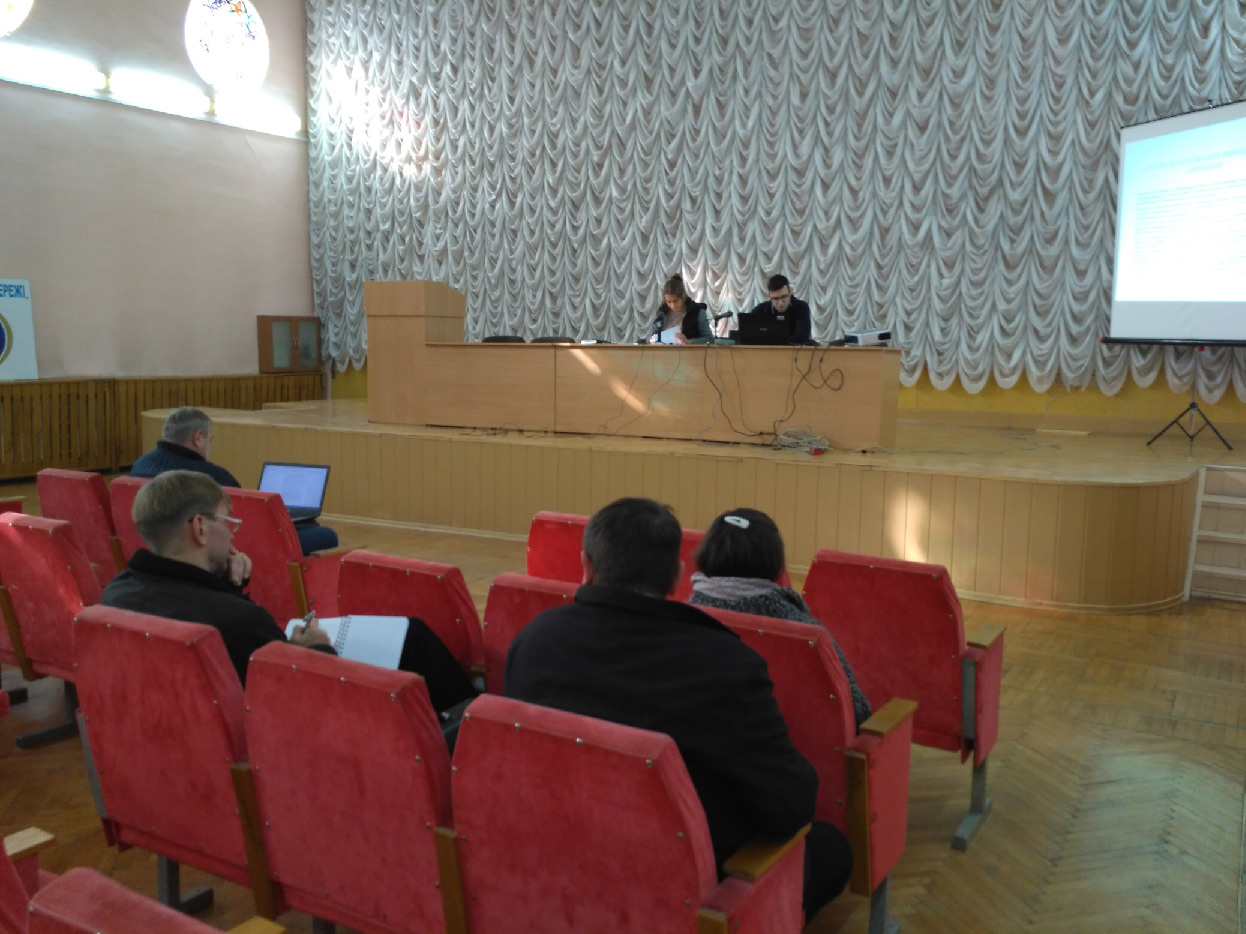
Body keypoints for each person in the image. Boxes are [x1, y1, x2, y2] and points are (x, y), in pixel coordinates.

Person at [505, 497, 851, 920]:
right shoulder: (727, 663)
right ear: (676, 576)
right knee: (832, 849)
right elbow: (791, 806)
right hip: (687, 889)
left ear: (587, 566)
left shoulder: (533, 640)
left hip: (560, 856)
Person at [100, 470, 477, 717]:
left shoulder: (115, 596)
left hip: (187, 740)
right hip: (295, 744)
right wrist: (315, 650)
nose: (232, 534)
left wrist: (227, 584)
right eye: (227, 521)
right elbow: (314, 701)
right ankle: (462, 725)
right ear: (199, 528)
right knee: (413, 638)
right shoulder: (236, 621)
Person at [687, 508, 871, 729]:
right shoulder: (806, 632)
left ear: (707, 553)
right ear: (774, 562)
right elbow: (858, 713)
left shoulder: (681, 617)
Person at [131, 406, 338, 555]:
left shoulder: (140, 465)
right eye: (210, 439)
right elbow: (244, 528)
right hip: (214, 549)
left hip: (153, 543)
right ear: (198, 437)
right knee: (325, 534)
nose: (210, 445)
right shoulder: (214, 477)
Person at [647, 273, 713, 343]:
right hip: (664, 349)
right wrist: (652, 339)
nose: (673, 305)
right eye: (669, 302)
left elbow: (709, 339)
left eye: (675, 301)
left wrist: (689, 341)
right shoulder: (662, 313)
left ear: (683, 297)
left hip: (689, 350)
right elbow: (648, 337)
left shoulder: (697, 312)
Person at [748, 274, 813, 344]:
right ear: (769, 296)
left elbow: (802, 337)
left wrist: (769, 339)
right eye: (776, 299)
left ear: (790, 292)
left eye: (784, 297)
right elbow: (746, 334)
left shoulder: (801, 307)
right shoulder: (761, 309)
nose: (780, 303)